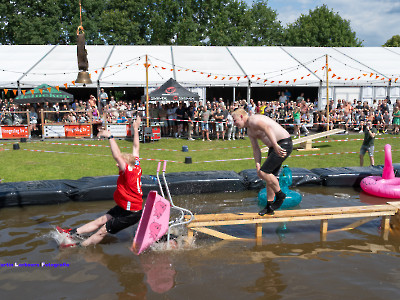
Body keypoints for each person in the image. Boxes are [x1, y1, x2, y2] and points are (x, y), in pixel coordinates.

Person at [57, 117, 143, 247]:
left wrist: (110, 137)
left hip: (131, 213)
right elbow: (136, 147)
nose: (117, 164)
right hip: (125, 207)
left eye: (120, 164)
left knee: (102, 231)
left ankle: (76, 248)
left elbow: (117, 156)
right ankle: (71, 233)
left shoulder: (129, 172)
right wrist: (135, 128)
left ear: (126, 165)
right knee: (102, 220)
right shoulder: (135, 165)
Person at [232, 108, 293, 216]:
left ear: (241, 117)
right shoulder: (250, 131)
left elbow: (267, 127)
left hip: (282, 144)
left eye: (235, 120)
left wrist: (275, 145)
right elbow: (256, 149)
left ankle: (280, 196)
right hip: (275, 146)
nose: (234, 123)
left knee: (265, 173)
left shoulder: (253, 120)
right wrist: (258, 165)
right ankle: (269, 206)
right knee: (266, 175)